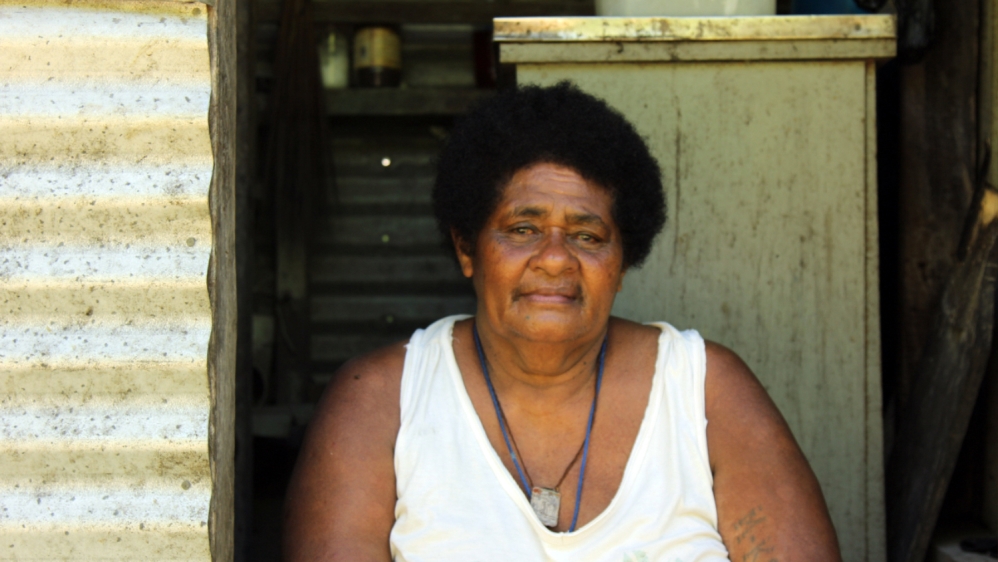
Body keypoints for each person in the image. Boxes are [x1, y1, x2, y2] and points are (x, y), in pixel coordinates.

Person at [284, 82, 840, 561]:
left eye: (587, 236)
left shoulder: (704, 389)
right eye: (523, 229)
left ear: (621, 265)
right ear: (467, 249)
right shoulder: (381, 399)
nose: (555, 259)